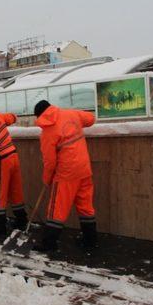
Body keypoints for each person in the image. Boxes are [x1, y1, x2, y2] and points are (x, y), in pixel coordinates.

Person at [33, 100, 97, 251]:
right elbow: (91, 119)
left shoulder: (47, 131)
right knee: (85, 207)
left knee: (57, 208)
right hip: (84, 169)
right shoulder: (71, 114)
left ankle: (49, 244)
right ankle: (90, 241)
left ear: (40, 115)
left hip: (66, 174)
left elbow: (50, 161)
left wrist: (47, 179)